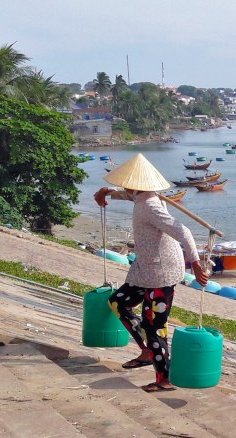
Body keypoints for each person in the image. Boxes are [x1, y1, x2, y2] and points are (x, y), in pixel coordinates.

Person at [94, 153, 209, 393]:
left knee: (154, 326)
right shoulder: (140, 196)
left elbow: (183, 232)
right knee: (118, 303)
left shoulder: (150, 205)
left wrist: (195, 263)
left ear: (137, 183)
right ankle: (146, 351)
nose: (125, 185)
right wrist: (106, 191)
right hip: (144, 269)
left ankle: (164, 379)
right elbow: (128, 194)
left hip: (161, 273)